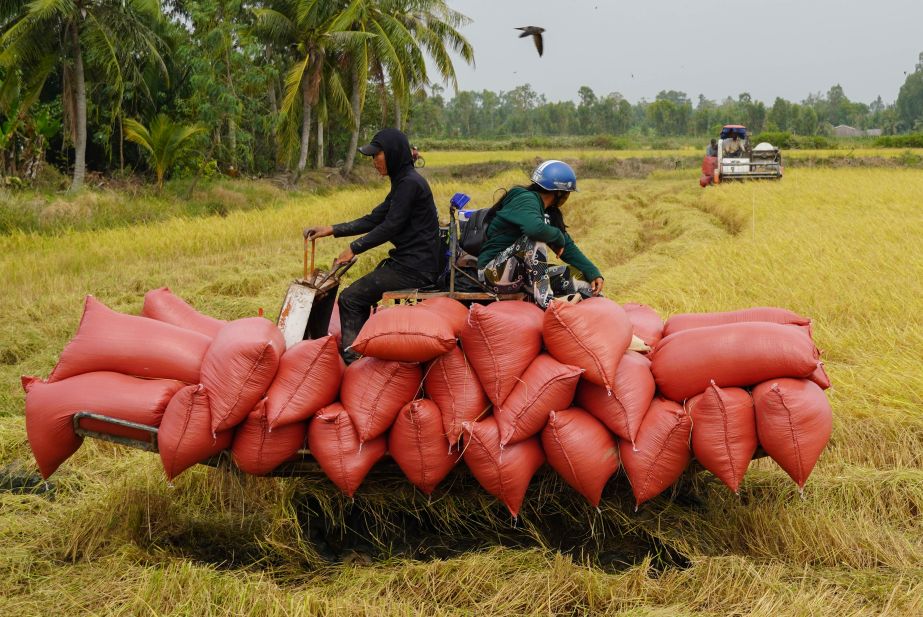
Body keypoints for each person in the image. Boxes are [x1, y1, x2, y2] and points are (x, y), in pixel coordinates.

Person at [303, 128, 440, 363]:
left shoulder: (409, 184)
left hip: (415, 268)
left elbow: (390, 226)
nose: (374, 161)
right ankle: (366, 351)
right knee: (358, 296)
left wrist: (354, 248)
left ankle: (355, 363)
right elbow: (375, 218)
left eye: (377, 155)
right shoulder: (404, 182)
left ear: (393, 153)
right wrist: (331, 229)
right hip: (411, 262)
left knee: (350, 299)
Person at [476, 160, 604, 308]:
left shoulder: (548, 212)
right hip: (493, 272)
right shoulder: (525, 199)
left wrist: (593, 272)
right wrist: (557, 236)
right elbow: (534, 230)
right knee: (535, 240)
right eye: (568, 193)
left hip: (523, 275)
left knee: (580, 281)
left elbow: (566, 246)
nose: (568, 197)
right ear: (559, 192)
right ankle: (547, 303)